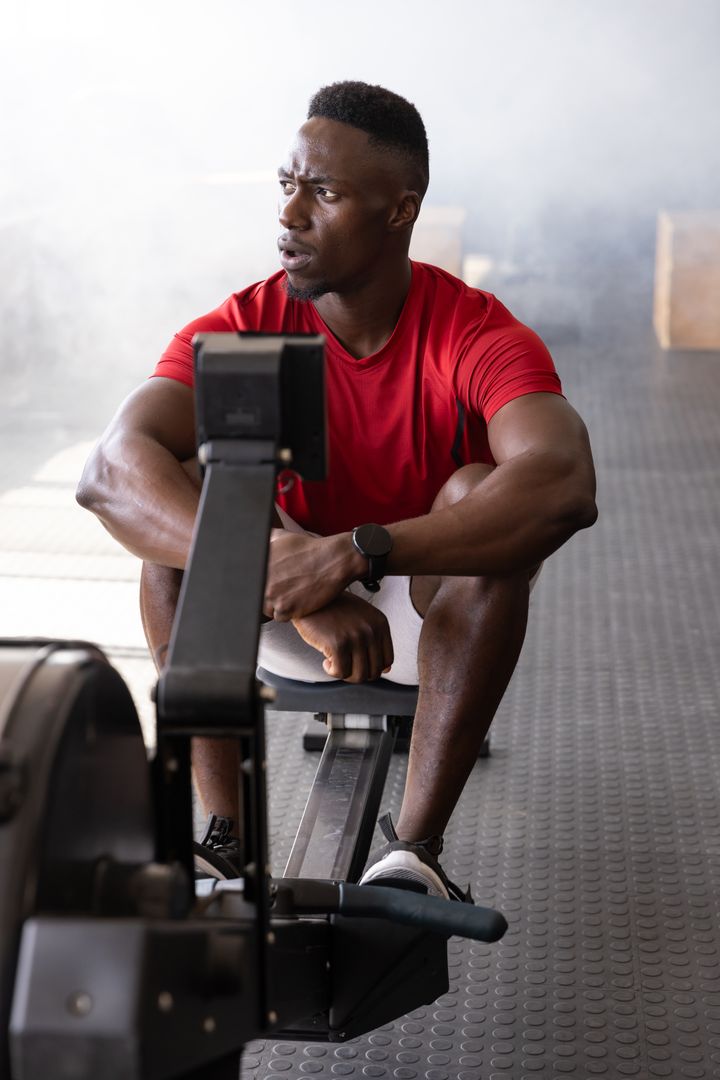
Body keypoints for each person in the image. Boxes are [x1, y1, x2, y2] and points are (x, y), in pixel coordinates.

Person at [77, 80, 597, 898]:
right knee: (186, 489)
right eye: (287, 186)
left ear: (400, 211)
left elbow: (563, 484)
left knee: (483, 493)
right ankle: (225, 840)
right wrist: (286, 571)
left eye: (323, 192)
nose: (289, 216)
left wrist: (355, 555)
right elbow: (109, 470)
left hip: (435, 618)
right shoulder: (246, 322)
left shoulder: (473, 330)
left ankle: (416, 851)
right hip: (286, 606)